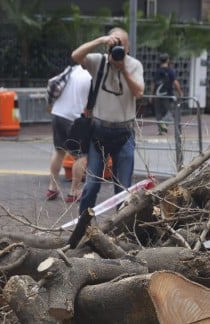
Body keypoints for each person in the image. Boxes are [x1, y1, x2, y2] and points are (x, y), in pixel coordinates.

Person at [72, 27, 144, 218]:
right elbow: (76, 55)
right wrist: (100, 40)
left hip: (124, 133)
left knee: (124, 190)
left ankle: (122, 228)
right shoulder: (99, 61)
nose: (118, 48)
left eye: (122, 44)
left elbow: (139, 93)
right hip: (99, 132)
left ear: (128, 47)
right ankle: (84, 226)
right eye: (114, 43)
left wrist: (123, 70)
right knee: (91, 186)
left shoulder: (134, 65)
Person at [46, 62, 92, 203]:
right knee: (81, 155)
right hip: (73, 117)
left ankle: (52, 188)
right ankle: (74, 192)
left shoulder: (73, 69)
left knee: (59, 151)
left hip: (57, 113)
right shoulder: (93, 75)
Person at [152, 53, 182, 134]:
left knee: (158, 112)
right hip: (167, 95)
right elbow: (175, 83)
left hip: (157, 95)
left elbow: (153, 84)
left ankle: (161, 130)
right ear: (167, 60)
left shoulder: (157, 71)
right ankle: (164, 124)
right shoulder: (170, 71)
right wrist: (180, 92)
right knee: (171, 111)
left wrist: (151, 95)